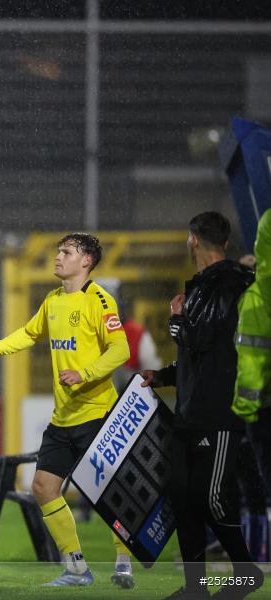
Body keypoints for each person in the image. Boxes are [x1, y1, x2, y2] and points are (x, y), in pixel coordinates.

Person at [0, 233, 134, 588]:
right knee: (43, 487)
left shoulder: (100, 301)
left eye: (67, 252)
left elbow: (120, 350)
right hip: (63, 418)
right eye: (59, 251)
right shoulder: (53, 300)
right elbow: (29, 334)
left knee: (106, 491)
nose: (58, 257)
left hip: (96, 414)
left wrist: (86, 373)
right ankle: (76, 567)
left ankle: (123, 559)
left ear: (86, 261)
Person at [140, 211, 262, 600]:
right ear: (223, 242)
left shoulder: (234, 283)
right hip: (190, 412)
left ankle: (245, 575)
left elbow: (201, 339)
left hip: (220, 413)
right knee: (181, 495)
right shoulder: (210, 285)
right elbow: (202, 356)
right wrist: (165, 376)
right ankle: (196, 587)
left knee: (210, 496)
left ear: (192, 240)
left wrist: (176, 320)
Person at [232, 209, 271, 563]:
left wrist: (242, 411)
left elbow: (251, 362)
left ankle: (257, 555)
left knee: (255, 485)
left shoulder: (253, 303)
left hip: (257, 408)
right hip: (256, 407)